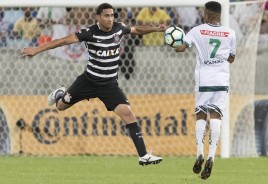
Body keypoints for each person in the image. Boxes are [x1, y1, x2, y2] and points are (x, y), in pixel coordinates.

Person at [21, 3, 166, 166]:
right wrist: (36, 50)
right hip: (88, 81)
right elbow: (62, 41)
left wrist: (156, 29)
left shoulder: (119, 28)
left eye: (112, 15)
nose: (110, 19)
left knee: (127, 113)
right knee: (60, 107)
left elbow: (136, 30)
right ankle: (59, 94)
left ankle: (144, 155)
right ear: (98, 17)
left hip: (109, 85)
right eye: (106, 16)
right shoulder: (89, 33)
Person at [174, 1, 236, 180]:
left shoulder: (197, 30)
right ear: (220, 15)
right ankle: (211, 157)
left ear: (207, 15)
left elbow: (180, 48)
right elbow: (231, 58)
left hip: (203, 81)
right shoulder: (230, 33)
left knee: (201, 116)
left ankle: (199, 153)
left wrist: (170, 38)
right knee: (216, 116)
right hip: (221, 80)